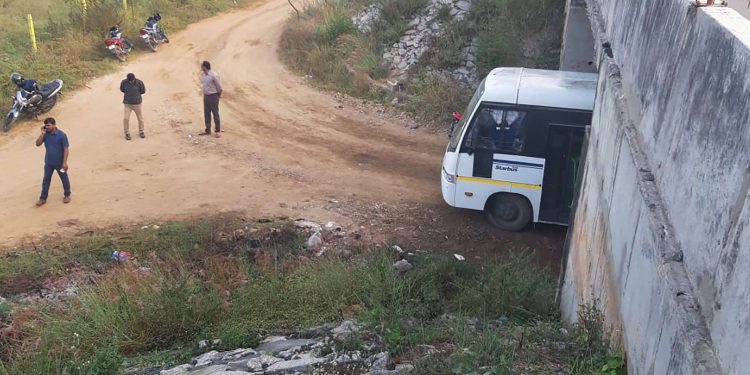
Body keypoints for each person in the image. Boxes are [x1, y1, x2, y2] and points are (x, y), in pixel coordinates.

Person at [35, 117, 71, 207]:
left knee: (64, 178)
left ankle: (67, 195)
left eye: (49, 125)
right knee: (46, 180)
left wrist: (65, 162)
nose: (47, 127)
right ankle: (43, 198)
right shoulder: (45, 134)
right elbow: (37, 144)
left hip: (60, 162)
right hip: (49, 163)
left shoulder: (62, 135)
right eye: (45, 125)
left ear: (54, 125)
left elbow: (66, 149)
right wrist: (42, 133)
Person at [199, 61, 223, 138]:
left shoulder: (214, 75)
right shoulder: (203, 75)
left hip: (213, 96)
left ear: (204, 67)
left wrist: (218, 95)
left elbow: (219, 87)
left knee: (215, 114)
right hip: (206, 96)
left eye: (202, 66)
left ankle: (218, 131)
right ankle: (208, 129)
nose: (201, 67)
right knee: (206, 113)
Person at [120, 73, 146, 140]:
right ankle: (126, 132)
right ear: (127, 79)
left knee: (140, 118)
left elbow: (143, 91)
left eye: (132, 81)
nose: (130, 82)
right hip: (127, 104)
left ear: (134, 78)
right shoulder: (124, 82)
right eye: (129, 81)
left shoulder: (139, 82)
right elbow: (122, 89)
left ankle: (141, 131)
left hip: (137, 104)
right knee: (126, 118)